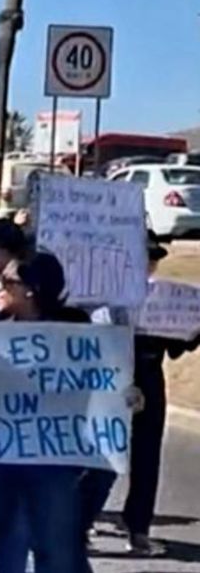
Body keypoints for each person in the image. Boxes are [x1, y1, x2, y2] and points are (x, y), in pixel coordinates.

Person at [0, 252, 92, 573]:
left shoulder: (75, 333)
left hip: (52, 463)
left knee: (55, 549)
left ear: (31, 289)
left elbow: (101, 381)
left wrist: (127, 395)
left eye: (8, 281)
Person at [121, 232, 191, 555]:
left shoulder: (164, 300)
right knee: (100, 457)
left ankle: (138, 527)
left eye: (152, 259)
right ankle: (83, 521)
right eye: (143, 257)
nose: (148, 264)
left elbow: (178, 346)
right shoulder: (111, 298)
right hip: (113, 381)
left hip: (150, 383)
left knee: (147, 458)